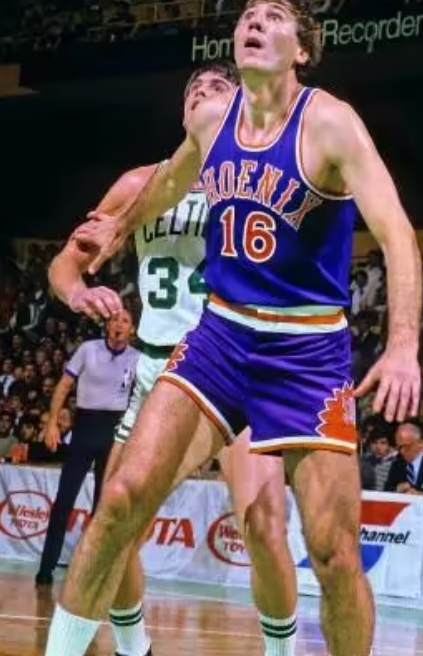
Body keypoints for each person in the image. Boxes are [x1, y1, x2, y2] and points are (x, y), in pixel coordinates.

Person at [48, 0, 422, 656]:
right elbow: (168, 182)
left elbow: (396, 233)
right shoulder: (211, 120)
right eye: (248, 16)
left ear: (301, 50)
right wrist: (119, 226)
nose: (254, 22)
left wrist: (402, 345)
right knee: (121, 497)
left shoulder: (331, 123)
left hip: (306, 352)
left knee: (333, 552)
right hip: (220, 336)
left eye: (273, 18)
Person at [46, 62, 298, 656]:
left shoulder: (262, 179)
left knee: (264, 525)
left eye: (217, 88)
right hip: (160, 368)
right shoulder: (139, 184)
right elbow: (65, 263)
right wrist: (78, 292)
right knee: (115, 525)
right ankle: (136, 648)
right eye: (194, 90)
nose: (202, 93)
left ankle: (282, 651)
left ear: (238, 105)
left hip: (238, 364)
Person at [35, 311, 139, 585]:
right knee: (64, 500)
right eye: (114, 319)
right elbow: (63, 386)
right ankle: (46, 569)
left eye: (125, 321)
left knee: (102, 507)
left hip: (114, 432)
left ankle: (91, 572)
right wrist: (52, 424)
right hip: (84, 428)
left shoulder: (137, 358)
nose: (118, 324)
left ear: (132, 329)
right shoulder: (88, 349)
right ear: (107, 324)